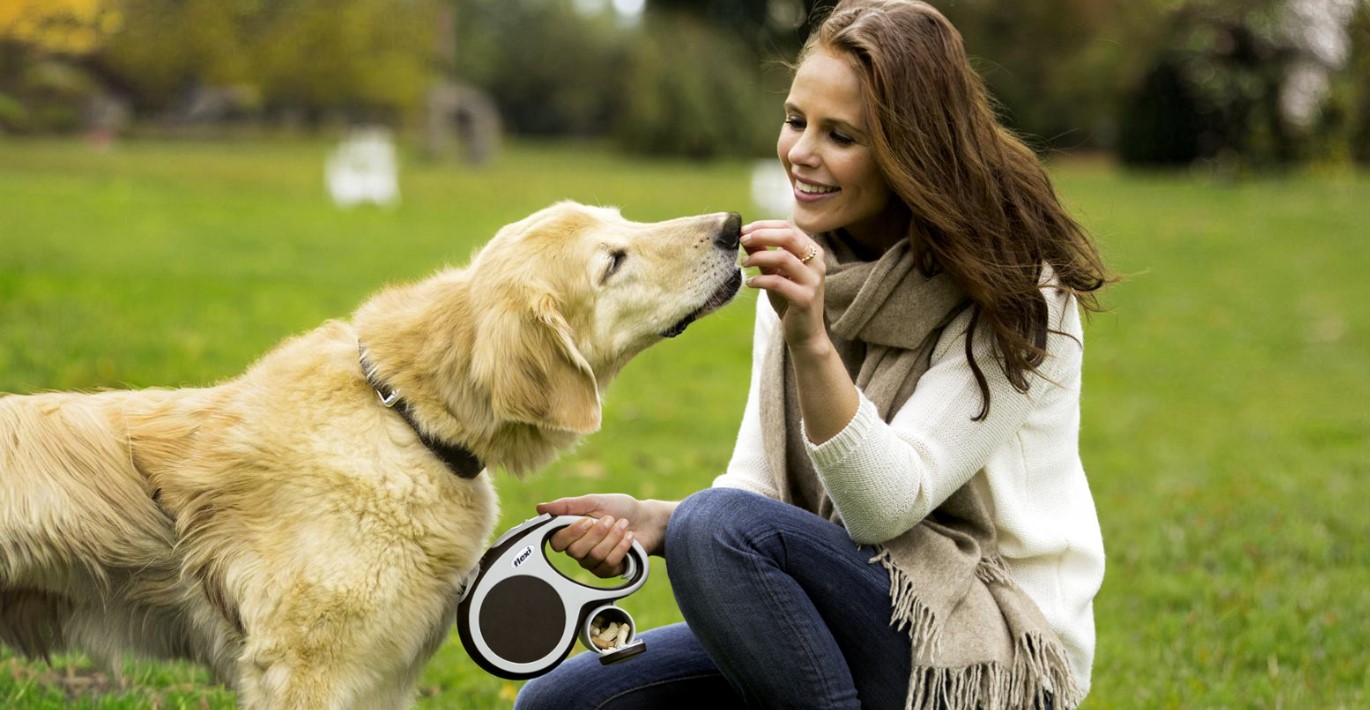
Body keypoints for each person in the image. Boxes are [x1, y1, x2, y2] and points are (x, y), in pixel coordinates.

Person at [516, 1, 1111, 708]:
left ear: (909, 150)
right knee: (565, 702)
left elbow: (889, 506)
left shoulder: (1019, 292)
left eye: (842, 136)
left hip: (992, 656)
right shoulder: (813, 267)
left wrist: (810, 340)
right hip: (853, 609)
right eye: (796, 120)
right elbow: (757, 495)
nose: (801, 151)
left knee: (714, 527)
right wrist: (655, 520)